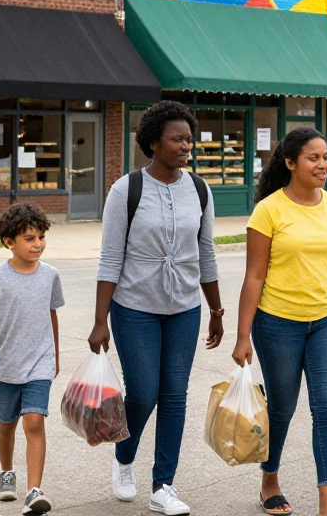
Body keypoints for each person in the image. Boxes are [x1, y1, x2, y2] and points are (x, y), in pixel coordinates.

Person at [91, 100, 224, 516]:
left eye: (189, 139)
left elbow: (206, 253)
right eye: (176, 139)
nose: (186, 146)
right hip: (134, 307)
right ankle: (124, 457)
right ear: (153, 143)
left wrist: (216, 311)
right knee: (143, 393)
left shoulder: (200, 190)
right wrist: (99, 321)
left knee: (174, 396)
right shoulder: (126, 190)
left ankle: (163, 485)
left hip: (185, 307)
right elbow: (110, 258)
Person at [232, 127, 327, 516]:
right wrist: (242, 336)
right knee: (282, 408)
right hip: (277, 323)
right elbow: (254, 275)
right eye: (313, 158)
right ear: (290, 163)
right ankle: (269, 479)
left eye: (326, 157)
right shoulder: (269, 210)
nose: (323, 165)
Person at [0, 202, 63, 515]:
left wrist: (55, 356)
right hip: (5, 366)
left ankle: (34, 491)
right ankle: (6, 472)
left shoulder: (50, 275)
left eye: (41, 237)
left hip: (40, 362)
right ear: (9, 242)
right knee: (7, 422)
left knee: (35, 421)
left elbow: (52, 315)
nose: (38, 244)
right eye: (29, 238)